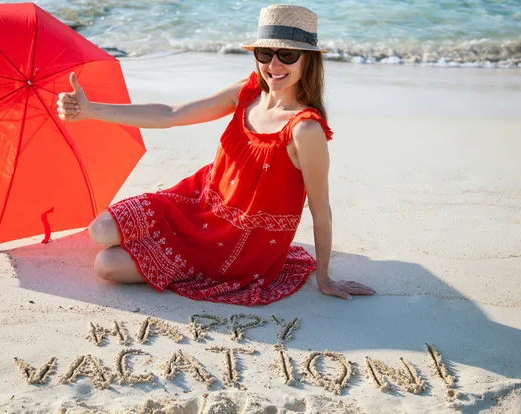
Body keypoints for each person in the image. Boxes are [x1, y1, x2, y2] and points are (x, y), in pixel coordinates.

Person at [57, 4, 375, 305]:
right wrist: (90, 110)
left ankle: (173, 253)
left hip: (237, 244)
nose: (274, 65)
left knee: (106, 265)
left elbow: (321, 209)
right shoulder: (247, 91)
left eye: (287, 55)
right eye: (266, 53)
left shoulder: (305, 131)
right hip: (199, 204)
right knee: (100, 229)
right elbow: (170, 113)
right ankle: (163, 245)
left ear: (307, 60)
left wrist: (325, 278)